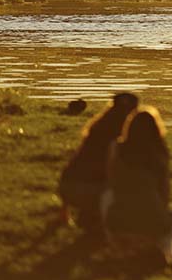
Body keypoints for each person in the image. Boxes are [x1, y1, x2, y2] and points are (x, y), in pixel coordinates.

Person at [101, 107, 172, 264]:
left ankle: (119, 243)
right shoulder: (160, 152)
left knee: (107, 195)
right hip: (154, 220)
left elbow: (111, 180)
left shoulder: (116, 148)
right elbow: (164, 190)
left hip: (118, 220)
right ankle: (164, 250)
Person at [58, 92, 138, 231]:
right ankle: (96, 216)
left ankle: (88, 214)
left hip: (66, 188)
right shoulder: (121, 139)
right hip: (92, 192)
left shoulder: (95, 130)